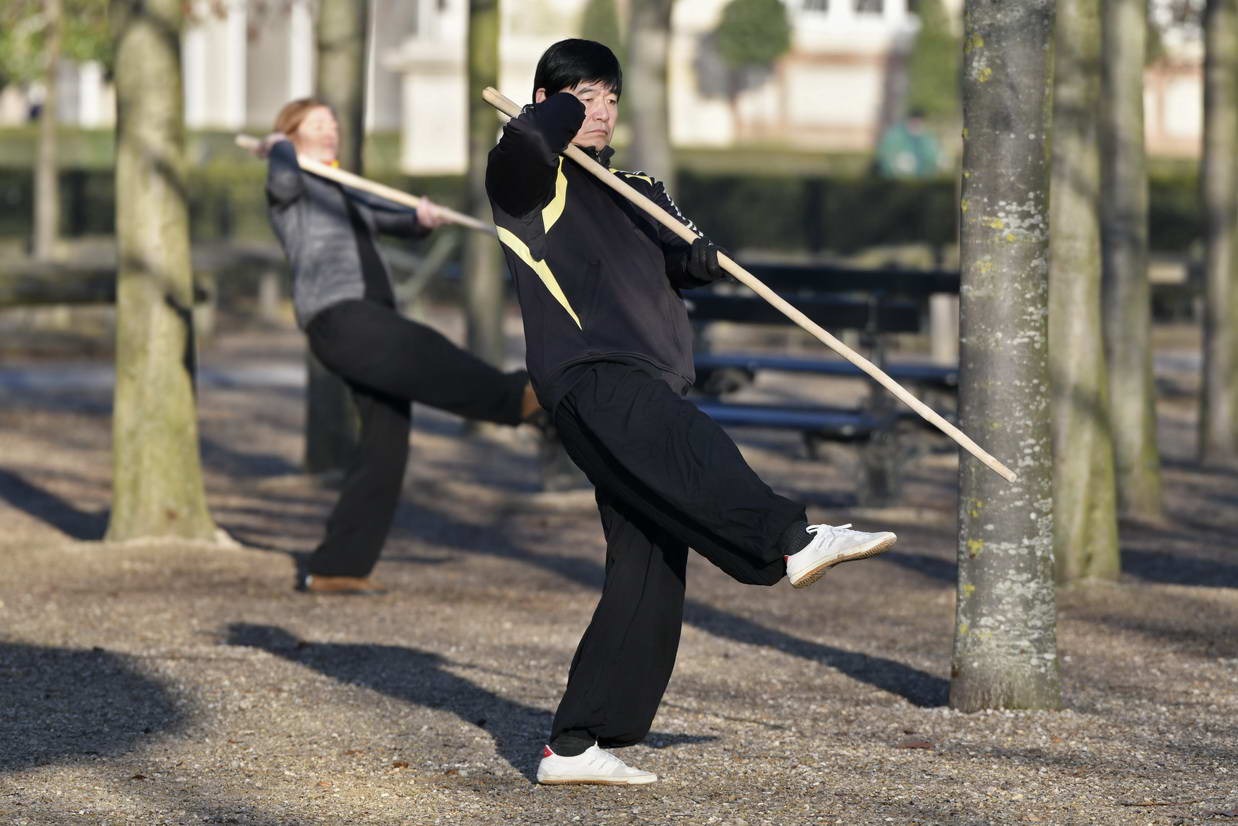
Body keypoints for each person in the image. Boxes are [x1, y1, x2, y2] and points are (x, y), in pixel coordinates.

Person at [486, 39, 898, 786]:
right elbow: (521, 142)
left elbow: (677, 254)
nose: (600, 109)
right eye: (581, 95)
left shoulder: (637, 185)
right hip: (592, 374)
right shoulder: (527, 178)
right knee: (693, 448)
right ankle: (790, 537)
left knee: (647, 563)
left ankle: (577, 743)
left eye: (609, 95)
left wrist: (701, 257)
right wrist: (553, 115)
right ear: (547, 100)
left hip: (653, 376)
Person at [253, 98, 542, 595]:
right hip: (340, 317)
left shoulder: (342, 187)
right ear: (291, 133)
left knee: (386, 442)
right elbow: (280, 184)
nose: (330, 130)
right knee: (422, 346)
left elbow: (391, 222)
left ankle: (337, 566)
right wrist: (279, 150)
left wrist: (421, 220)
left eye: (333, 123)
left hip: (369, 317)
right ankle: (514, 398)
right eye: (315, 124)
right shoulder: (294, 188)